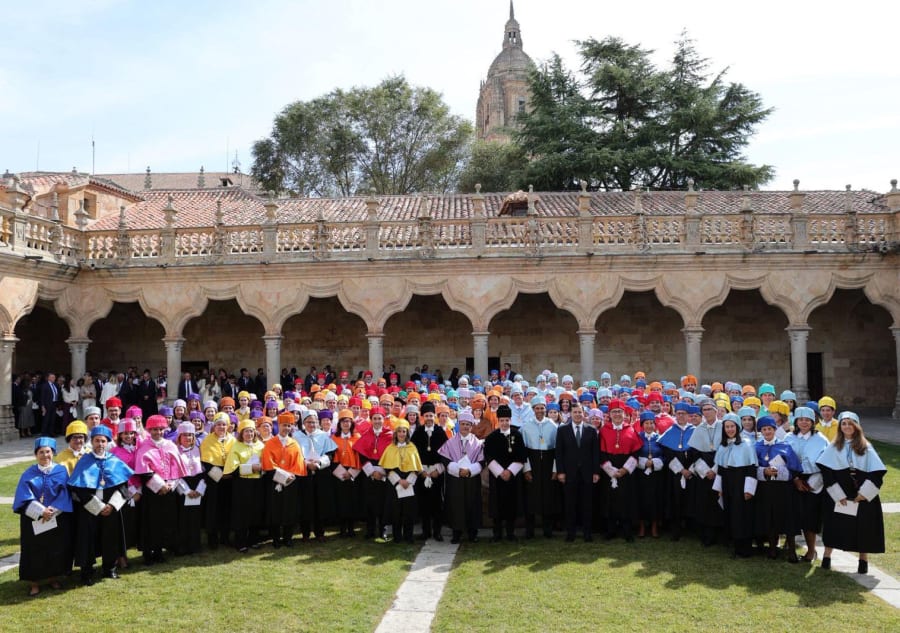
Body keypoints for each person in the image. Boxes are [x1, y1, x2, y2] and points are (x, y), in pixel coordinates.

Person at [817, 412, 887, 574]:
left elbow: (877, 473)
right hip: (840, 493)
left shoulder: (866, 447)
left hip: (860, 494)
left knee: (863, 527)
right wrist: (837, 493)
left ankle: (863, 560)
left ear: (856, 426)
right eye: (844, 424)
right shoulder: (833, 447)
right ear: (840, 427)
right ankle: (827, 557)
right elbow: (827, 472)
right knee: (834, 526)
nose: (847, 426)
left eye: (850, 423)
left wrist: (865, 493)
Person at [67, 426, 133, 585]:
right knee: (88, 540)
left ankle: (109, 569)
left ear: (108, 442)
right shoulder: (85, 461)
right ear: (92, 441)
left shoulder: (114, 461)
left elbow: (123, 487)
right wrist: (98, 506)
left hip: (111, 508)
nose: (100, 444)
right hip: (90, 508)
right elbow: (78, 489)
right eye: (97, 441)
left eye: (103, 441)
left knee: (110, 538)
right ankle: (87, 572)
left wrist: (111, 505)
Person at [13, 437, 73, 596]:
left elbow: (65, 493)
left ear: (53, 453)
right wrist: (41, 511)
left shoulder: (61, 471)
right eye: (41, 452)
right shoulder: (28, 473)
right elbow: (23, 496)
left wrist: (52, 510)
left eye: (48, 452)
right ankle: (34, 583)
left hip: (55, 516)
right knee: (34, 550)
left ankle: (53, 578)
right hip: (33, 518)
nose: (45, 455)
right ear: (35, 454)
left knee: (54, 548)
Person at [134, 414, 185, 564]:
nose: (158, 432)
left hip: (169, 490)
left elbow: (177, 467)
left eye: (161, 429)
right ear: (149, 430)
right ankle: (148, 554)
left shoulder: (171, 445)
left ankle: (159, 552)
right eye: (154, 429)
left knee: (165, 522)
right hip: (152, 492)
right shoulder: (144, 447)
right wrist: (159, 485)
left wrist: (170, 484)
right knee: (150, 523)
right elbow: (144, 472)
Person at [784, 406, 829, 563]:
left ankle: (811, 551)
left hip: (814, 481)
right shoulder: (788, 438)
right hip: (792, 480)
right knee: (791, 515)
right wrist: (795, 479)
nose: (804, 423)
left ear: (813, 422)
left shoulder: (821, 440)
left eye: (807, 420)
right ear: (796, 421)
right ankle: (790, 551)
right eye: (801, 419)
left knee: (810, 518)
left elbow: (826, 462)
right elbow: (783, 461)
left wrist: (815, 481)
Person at [753, 416, 802, 560]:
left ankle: (792, 550)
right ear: (760, 431)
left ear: (774, 430)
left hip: (783, 488)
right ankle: (772, 549)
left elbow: (795, 468)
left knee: (788, 517)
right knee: (770, 517)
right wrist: (764, 471)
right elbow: (752, 467)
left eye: (770, 429)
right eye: (764, 429)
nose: (767, 432)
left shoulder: (785, 446)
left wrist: (781, 471)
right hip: (766, 488)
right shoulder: (756, 447)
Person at [598, 399, 643, 541]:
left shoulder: (631, 430)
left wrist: (624, 470)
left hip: (626, 472)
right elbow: (600, 453)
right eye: (614, 412)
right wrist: (610, 470)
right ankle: (611, 529)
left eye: (620, 412)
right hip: (608, 471)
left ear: (624, 414)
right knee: (609, 500)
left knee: (626, 500)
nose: (617, 414)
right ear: (609, 414)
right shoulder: (604, 430)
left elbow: (636, 453)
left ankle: (627, 530)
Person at [714, 415, 758, 558]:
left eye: (732, 426)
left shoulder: (746, 444)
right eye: (727, 427)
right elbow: (720, 469)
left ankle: (745, 548)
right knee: (731, 513)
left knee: (742, 515)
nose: (730, 429)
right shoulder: (723, 445)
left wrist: (749, 490)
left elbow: (752, 468)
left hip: (741, 484)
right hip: (727, 484)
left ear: (738, 427)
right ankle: (735, 545)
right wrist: (719, 488)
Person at [555, 403, 600, 542]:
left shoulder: (591, 430)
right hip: (569, 473)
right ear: (571, 414)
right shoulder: (562, 430)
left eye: (580, 412)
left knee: (587, 504)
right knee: (570, 504)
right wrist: (560, 472)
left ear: (584, 413)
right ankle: (571, 533)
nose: (578, 414)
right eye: (575, 412)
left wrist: (596, 472)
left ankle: (587, 533)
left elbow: (595, 454)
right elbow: (559, 452)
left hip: (587, 474)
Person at [261, 412, 305, 548]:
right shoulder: (270, 443)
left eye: (289, 425)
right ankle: (275, 539)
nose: (286, 428)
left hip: (291, 483)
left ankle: (288, 538)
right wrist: (281, 476)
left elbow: (298, 462)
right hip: (275, 482)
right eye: (284, 425)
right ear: (278, 426)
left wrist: (289, 476)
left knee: (289, 510)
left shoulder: (294, 444)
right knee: (275, 510)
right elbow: (268, 462)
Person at [438, 411, 484, 544]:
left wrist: (469, 471)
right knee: (456, 505)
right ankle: (456, 533)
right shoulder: (450, 442)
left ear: (471, 426)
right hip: (455, 479)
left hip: (472, 479)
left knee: (472, 504)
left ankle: (472, 533)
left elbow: (481, 461)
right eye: (463, 424)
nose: (465, 427)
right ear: (458, 425)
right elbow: (445, 459)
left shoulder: (477, 443)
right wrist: (458, 470)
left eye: (468, 425)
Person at [484, 404, 527, 542]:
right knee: (497, 505)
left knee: (512, 504)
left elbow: (521, 456)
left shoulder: (517, 435)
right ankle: (497, 534)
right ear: (498, 421)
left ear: (510, 420)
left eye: (507, 420)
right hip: (497, 477)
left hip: (512, 477)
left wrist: (509, 471)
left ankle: (510, 533)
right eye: (502, 420)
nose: (504, 423)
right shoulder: (491, 437)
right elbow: (488, 457)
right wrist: (500, 472)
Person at [520, 396, 560, 538]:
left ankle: (547, 529)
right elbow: (523, 450)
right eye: (537, 408)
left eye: (542, 408)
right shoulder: (525, 427)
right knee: (531, 495)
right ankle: (530, 529)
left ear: (546, 409)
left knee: (548, 496)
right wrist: (527, 469)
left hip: (548, 462)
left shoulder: (553, 426)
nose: (540, 411)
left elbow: (557, 450)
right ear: (533, 409)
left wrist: (555, 469)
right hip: (533, 462)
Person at [223, 419, 265, 552]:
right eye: (246, 431)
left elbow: (267, 463)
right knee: (242, 514)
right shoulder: (236, 446)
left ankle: (253, 540)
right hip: (242, 484)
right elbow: (233, 469)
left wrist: (262, 468)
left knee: (256, 512)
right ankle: (240, 542)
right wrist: (252, 468)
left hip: (258, 483)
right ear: (241, 433)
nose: (249, 434)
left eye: (251, 431)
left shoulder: (261, 446)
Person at [379, 419, 423, 544]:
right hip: (395, 483)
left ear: (407, 433)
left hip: (409, 483)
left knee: (409, 510)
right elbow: (387, 469)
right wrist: (399, 481)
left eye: (404, 431)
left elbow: (417, 468)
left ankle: (409, 536)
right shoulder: (390, 448)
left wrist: (408, 481)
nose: (402, 434)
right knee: (395, 510)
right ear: (396, 433)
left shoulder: (412, 447)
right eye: (399, 432)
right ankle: (397, 536)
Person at [687, 400, 724, 546]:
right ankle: (706, 535)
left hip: (719, 469)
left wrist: (715, 470)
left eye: (710, 409)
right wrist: (705, 471)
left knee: (718, 503)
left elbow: (726, 451)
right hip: (703, 474)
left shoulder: (723, 427)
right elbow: (694, 454)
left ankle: (721, 535)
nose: (707, 412)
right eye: (705, 410)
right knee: (704, 504)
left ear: (716, 411)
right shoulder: (699, 429)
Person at [353, 406, 393, 540]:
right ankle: (370, 530)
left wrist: (382, 471)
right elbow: (362, 455)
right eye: (374, 419)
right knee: (369, 502)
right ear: (371, 420)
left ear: (383, 420)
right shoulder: (366, 434)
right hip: (369, 472)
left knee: (384, 502)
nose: (377, 421)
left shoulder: (390, 435)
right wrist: (371, 472)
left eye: (379, 418)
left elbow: (392, 455)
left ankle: (383, 529)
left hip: (384, 472)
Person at [411, 400, 448, 541]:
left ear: (435, 416)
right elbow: (412, 454)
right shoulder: (417, 433)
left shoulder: (440, 432)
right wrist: (421, 471)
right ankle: (425, 531)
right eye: (426, 416)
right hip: (422, 472)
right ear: (422, 417)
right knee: (423, 503)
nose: (429, 418)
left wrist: (438, 470)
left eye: (431, 415)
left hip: (436, 472)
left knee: (437, 503)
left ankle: (437, 532)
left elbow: (446, 454)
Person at [199, 412, 235, 549]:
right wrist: (221, 476)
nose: (221, 427)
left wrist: (229, 474)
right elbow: (206, 464)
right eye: (218, 424)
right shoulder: (207, 440)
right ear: (214, 426)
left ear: (228, 426)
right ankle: (212, 539)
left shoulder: (233, 440)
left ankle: (225, 537)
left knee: (227, 509)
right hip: (214, 481)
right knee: (212, 510)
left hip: (229, 480)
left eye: (224, 424)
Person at [174, 422, 205, 555]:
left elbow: (203, 471)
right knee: (182, 518)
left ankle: (195, 545)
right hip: (182, 487)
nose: (188, 438)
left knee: (195, 518)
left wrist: (199, 489)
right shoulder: (175, 451)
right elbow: (174, 473)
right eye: (185, 435)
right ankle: (182, 546)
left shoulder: (199, 450)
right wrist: (186, 491)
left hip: (197, 486)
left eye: (191, 435)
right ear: (179, 437)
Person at [332, 409, 362, 538]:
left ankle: (351, 528)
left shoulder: (357, 437)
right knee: (341, 501)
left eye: (348, 421)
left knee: (352, 501)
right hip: (339, 473)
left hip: (353, 473)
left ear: (352, 423)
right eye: (343, 421)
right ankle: (342, 529)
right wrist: (341, 472)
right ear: (339, 423)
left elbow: (360, 457)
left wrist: (351, 473)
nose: (346, 424)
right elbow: (331, 456)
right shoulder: (334, 438)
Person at [635, 412, 665, 538]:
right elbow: (633, 453)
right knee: (641, 499)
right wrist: (643, 462)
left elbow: (665, 456)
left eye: (651, 423)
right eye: (646, 423)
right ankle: (641, 526)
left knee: (655, 499)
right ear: (642, 425)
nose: (649, 425)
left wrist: (654, 463)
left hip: (656, 475)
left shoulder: (660, 438)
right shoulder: (637, 437)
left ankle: (654, 526)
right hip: (641, 474)